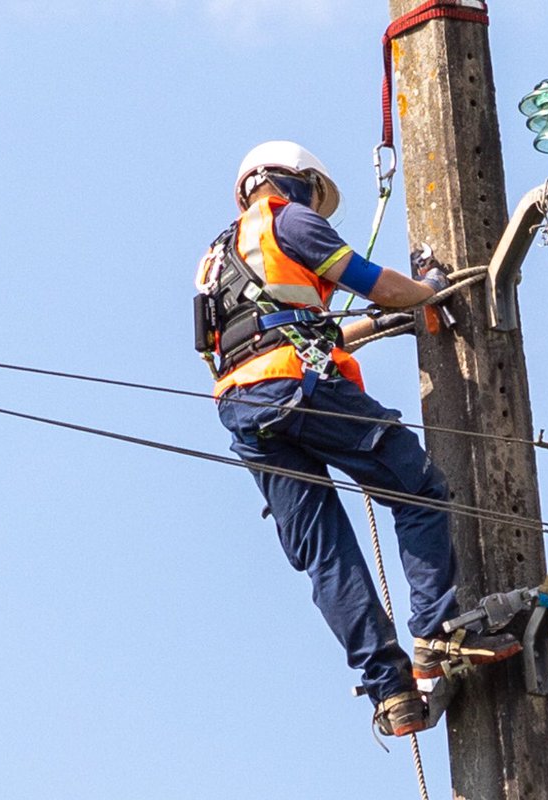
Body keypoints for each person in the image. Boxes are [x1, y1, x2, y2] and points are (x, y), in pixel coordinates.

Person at [194, 141, 520, 736]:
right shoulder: (287, 219)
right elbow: (377, 283)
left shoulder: (218, 256)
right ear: (293, 180)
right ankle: (441, 633)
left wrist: (380, 323)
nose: (317, 205)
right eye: (316, 193)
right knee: (416, 487)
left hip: (244, 407)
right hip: (295, 384)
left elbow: (273, 326)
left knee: (326, 553)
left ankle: (390, 691)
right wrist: (427, 288)